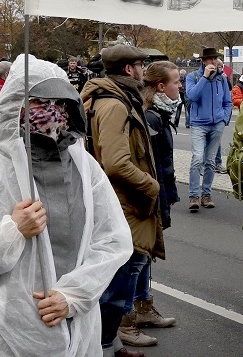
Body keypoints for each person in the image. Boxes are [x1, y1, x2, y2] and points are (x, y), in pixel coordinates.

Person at [0, 55, 133, 357]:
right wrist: (11, 233)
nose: (51, 112)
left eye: (60, 103)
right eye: (38, 102)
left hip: (78, 338)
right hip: (3, 341)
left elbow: (113, 241)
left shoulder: (85, 168)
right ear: (15, 108)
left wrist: (73, 296)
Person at [81, 44, 165, 357]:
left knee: (120, 275)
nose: (145, 70)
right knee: (121, 279)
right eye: (141, 65)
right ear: (129, 69)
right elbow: (116, 162)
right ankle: (102, 345)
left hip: (113, 199)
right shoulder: (115, 103)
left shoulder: (104, 96)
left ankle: (110, 343)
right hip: (123, 202)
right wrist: (151, 186)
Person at [136, 61, 181, 332]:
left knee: (146, 253)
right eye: (177, 82)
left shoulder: (160, 114)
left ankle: (142, 306)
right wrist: (162, 196)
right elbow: (153, 166)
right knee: (141, 254)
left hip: (159, 192)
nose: (181, 86)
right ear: (161, 87)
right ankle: (131, 314)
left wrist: (172, 192)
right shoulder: (152, 116)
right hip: (151, 194)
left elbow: (165, 163)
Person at [184, 47, 233, 211]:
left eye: (215, 58)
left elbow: (228, 101)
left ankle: (206, 194)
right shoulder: (193, 77)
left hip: (216, 124)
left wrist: (224, 119)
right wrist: (204, 77)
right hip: (199, 123)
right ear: (203, 61)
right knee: (198, 158)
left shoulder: (222, 79)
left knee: (211, 162)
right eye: (210, 59)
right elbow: (191, 96)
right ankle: (193, 196)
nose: (213, 61)